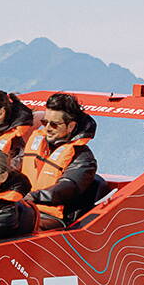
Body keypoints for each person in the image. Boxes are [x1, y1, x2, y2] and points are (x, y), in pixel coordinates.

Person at [21, 92, 98, 229]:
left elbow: (68, 188)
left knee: (12, 227)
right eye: (45, 122)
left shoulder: (83, 158)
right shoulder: (38, 142)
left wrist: (33, 197)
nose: (47, 128)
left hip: (52, 218)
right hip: (23, 208)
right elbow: (16, 166)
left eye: (54, 125)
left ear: (71, 126)